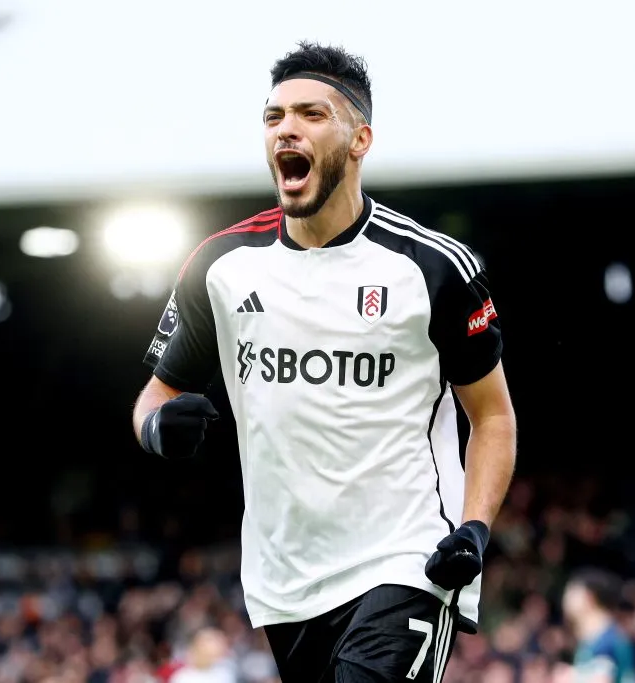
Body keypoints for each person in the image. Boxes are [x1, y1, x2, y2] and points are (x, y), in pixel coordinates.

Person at [133, 41, 517, 683]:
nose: (286, 128)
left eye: (310, 114)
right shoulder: (221, 267)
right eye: (273, 117)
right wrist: (157, 430)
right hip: (283, 580)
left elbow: (494, 417)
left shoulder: (431, 268)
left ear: (359, 138)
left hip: (408, 561)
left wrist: (475, 529)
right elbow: (154, 396)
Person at [561, 569, 635, 683]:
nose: (566, 598)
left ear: (589, 597)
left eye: (572, 592)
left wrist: (571, 677)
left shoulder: (608, 641)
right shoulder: (591, 638)